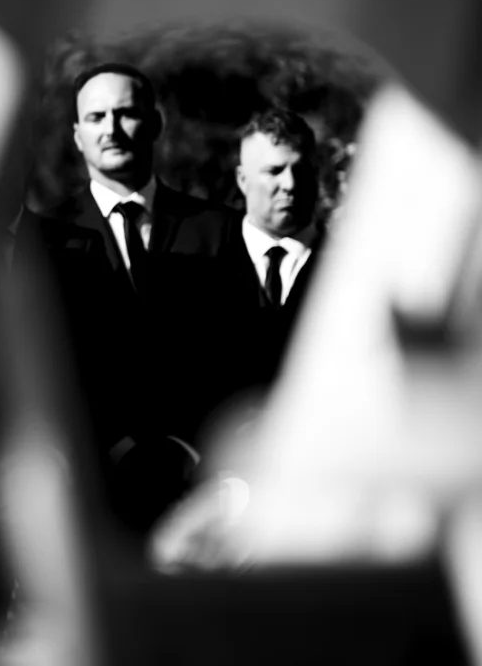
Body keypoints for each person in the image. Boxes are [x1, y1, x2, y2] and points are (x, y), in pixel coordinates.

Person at [20, 62, 242, 537]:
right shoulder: (43, 240)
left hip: (200, 483)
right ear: (77, 135)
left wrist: (193, 448)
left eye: (126, 114)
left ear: (156, 123)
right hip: (91, 484)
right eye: (96, 118)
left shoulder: (220, 230)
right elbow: (40, 357)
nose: (112, 129)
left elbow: (241, 350)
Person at [223, 108, 323, 395]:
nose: (289, 185)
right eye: (274, 171)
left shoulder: (348, 271)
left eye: (300, 170)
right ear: (243, 180)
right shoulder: (203, 268)